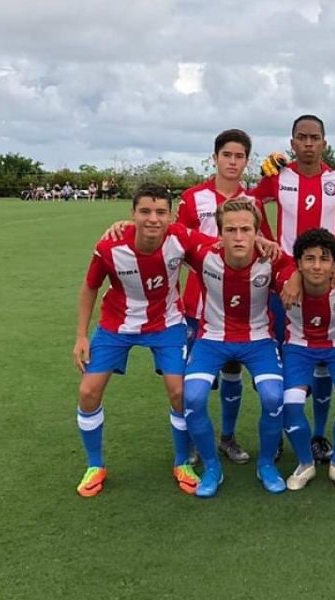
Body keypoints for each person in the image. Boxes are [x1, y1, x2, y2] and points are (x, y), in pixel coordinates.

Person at [71, 183, 207, 498]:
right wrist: (80, 335)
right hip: (117, 324)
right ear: (132, 213)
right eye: (145, 211)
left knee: (179, 392)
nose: (153, 219)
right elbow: (90, 286)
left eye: (160, 212)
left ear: (171, 216)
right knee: (88, 391)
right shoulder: (110, 246)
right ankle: (95, 465)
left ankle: (182, 462)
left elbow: (221, 246)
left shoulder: (180, 237)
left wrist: (258, 240)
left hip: (167, 323)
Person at [252, 115, 335, 462]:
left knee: (325, 361)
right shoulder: (277, 177)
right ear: (292, 143)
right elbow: (250, 208)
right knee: (283, 360)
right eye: (302, 137)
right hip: (285, 281)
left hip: (328, 281)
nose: (309, 143)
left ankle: (318, 434)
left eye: (315, 138)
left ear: (324, 142)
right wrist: (273, 247)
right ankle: (279, 430)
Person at [176, 129, 273, 465]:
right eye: (227, 155)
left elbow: (265, 245)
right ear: (215, 158)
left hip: (241, 304)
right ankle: (192, 440)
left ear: (247, 161)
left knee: (232, 370)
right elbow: (177, 243)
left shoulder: (253, 203)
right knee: (193, 378)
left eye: (239, 156)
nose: (233, 162)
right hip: (199, 301)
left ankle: (227, 438)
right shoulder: (193, 198)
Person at [181, 200, 286, 497]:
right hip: (212, 338)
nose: (238, 237)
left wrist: (293, 279)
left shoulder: (272, 258)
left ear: (257, 233)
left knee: (273, 396)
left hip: (258, 339)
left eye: (246, 230)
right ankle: (212, 467)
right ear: (219, 233)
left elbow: (305, 265)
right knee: (193, 397)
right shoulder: (203, 253)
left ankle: (266, 464)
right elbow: (165, 230)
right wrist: (125, 227)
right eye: (231, 230)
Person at [276, 228, 335, 491]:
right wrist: (292, 276)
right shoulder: (283, 281)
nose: (316, 266)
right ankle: (305, 463)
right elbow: (265, 256)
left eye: (324, 259)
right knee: (291, 403)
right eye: (309, 259)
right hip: (299, 346)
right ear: (298, 263)